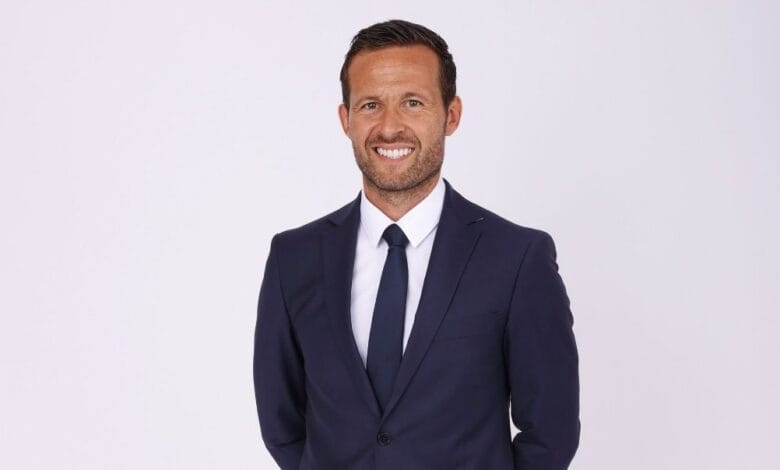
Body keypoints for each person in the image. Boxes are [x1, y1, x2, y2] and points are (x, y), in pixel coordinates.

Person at [253, 19, 580, 470]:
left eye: (413, 102)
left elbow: (551, 433)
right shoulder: (294, 258)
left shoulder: (518, 259)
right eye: (371, 105)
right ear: (346, 119)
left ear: (451, 114)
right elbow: (281, 425)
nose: (390, 127)